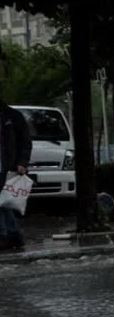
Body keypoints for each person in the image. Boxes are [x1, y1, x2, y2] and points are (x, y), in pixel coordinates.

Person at [0, 45, 32, 252]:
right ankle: (12, 234)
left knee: (4, 202)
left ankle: (8, 235)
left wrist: (21, 162)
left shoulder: (11, 117)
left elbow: (25, 141)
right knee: (2, 203)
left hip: (6, 167)